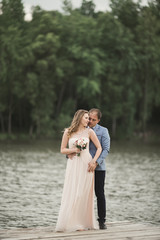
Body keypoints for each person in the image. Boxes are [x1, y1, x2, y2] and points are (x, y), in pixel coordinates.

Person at [55, 109, 102, 232]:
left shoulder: (89, 132)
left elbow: (99, 148)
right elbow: (62, 150)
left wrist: (94, 161)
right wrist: (73, 150)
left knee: (83, 193)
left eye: (89, 118)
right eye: (86, 118)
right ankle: (72, 223)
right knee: (73, 192)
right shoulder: (68, 132)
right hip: (73, 164)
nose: (88, 120)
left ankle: (81, 223)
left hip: (86, 164)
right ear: (80, 118)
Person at [88, 108, 110, 230]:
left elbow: (106, 149)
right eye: (89, 118)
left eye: (93, 119)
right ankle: (83, 220)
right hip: (83, 168)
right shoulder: (82, 129)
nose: (90, 121)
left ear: (98, 120)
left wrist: (96, 163)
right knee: (83, 194)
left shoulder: (103, 131)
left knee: (99, 194)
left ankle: (101, 221)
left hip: (99, 168)